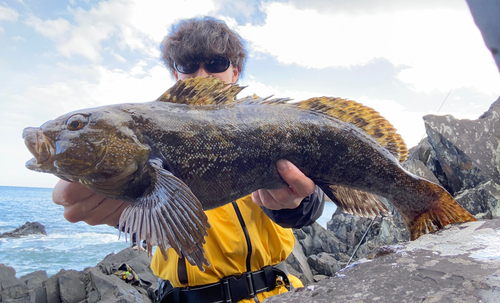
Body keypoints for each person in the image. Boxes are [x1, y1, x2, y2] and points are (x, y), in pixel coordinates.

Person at [52, 16, 325, 303]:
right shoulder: (147, 135)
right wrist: (119, 204)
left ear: (236, 72)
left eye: (217, 64)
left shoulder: (270, 124)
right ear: (175, 74)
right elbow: (149, 220)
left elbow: (312, 202)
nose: (202, 75)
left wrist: (293, 202)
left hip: (278, 293)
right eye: (188, 66)